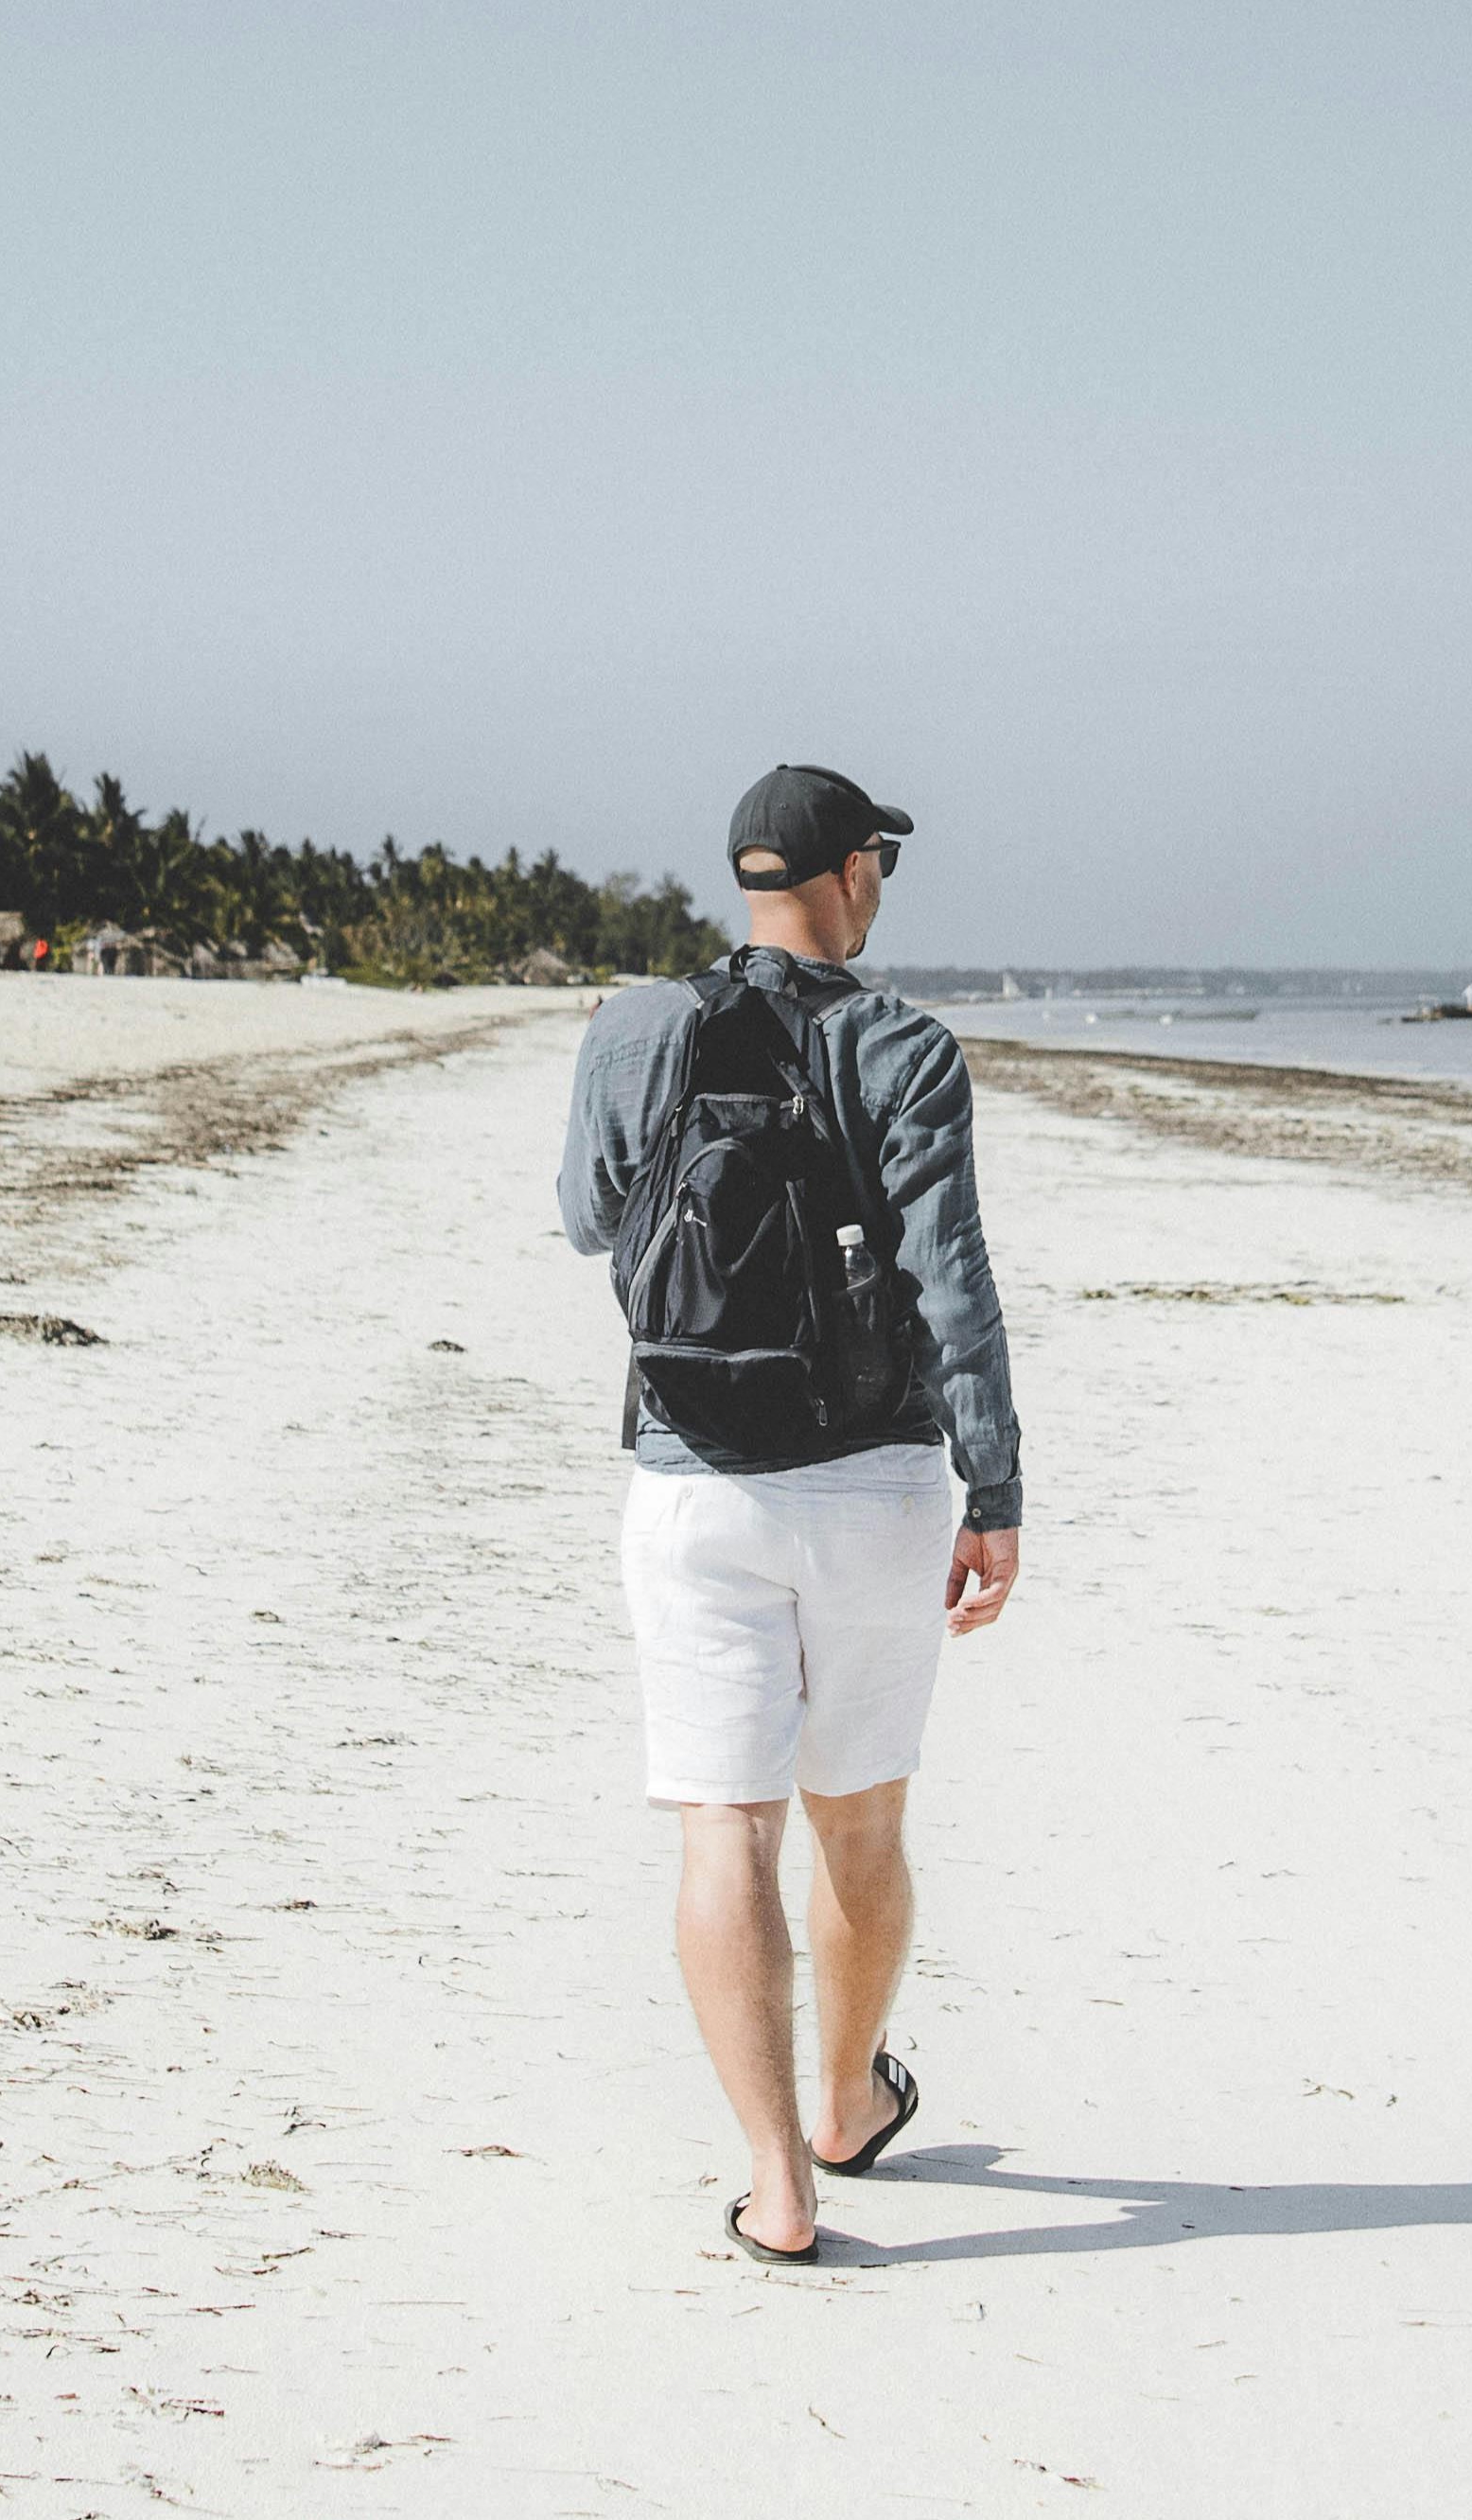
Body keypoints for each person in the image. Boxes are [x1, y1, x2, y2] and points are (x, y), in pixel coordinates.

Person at [557, 763, 1024, 2264]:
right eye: (880, 858)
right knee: (862, 1821)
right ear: (854, 874)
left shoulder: (635, 1027)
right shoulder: (902, 1048)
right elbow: (952, 1284)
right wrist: (996, 1485)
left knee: (724, 1836)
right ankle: (844, 2101)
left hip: (690, 1488)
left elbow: (584, 1217)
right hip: (875, 1488)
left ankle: (778, 2186)